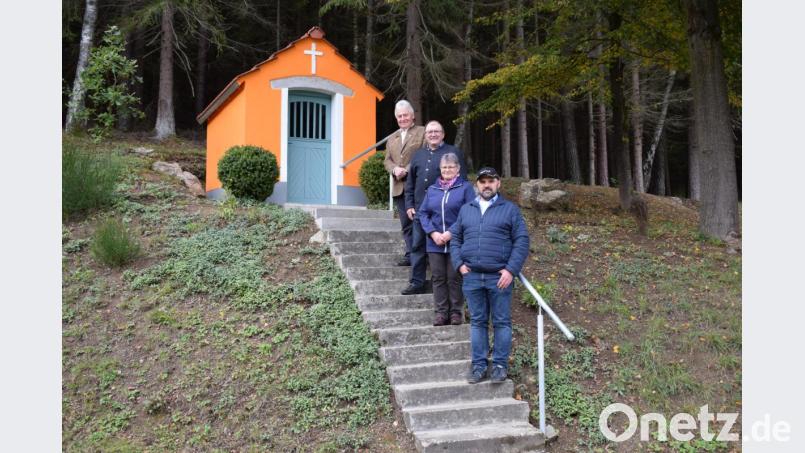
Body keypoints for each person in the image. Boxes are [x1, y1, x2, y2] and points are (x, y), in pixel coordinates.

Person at [449, 167, 530, 384]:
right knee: (478, 322)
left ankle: (500, 366)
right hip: (472, 277)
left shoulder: (510, 210)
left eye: (490, 181)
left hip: (499, 278)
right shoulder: (467, 209)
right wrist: (459, 264)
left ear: (498, 184)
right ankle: (478, 366)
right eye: (482, 181)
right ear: (477, 185)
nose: (486, 185)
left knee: (502, 322)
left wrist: (511, 270)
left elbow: (522, 240)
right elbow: (455, 238)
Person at [401, 121, 467, 295]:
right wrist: (409, 204)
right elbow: (410, 183)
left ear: (443, 134)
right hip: (420, 212)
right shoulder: (418, 155)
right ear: (425, 135)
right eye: (429, 132)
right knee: (417, 246)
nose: (433, 134)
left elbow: (463, 183)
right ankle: (417, 282)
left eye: (437, 131)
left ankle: (450, 285)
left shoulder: (453, 152)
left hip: (446, 215)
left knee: (448, 248)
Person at [417, 153, 476, 326]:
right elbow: (423, 213)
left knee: (454, 277)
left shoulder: (465, 188)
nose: (447, 170)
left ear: (458, 169)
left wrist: (451, 233)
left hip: (456, 242)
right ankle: (441, 313)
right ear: (440, 170)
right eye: (444, 167)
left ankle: (456, 312)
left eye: (451, 167)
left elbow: (469, 213)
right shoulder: (433, 190)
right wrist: (433, 233)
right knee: (438, 278)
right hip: (434, 243)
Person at [383, 100, 426, 267]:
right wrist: (394, 169)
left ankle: (423, 255)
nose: (402, 118)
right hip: (399, 186)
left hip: (418, 185)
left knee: (420, 222)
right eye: (399, 116)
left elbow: (423, 153)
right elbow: (387, 160)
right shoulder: (391, 138)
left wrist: (406, 169)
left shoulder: (422, 132)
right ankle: (410, 255)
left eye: (405, 115)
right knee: (405, 224)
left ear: (412, 115)